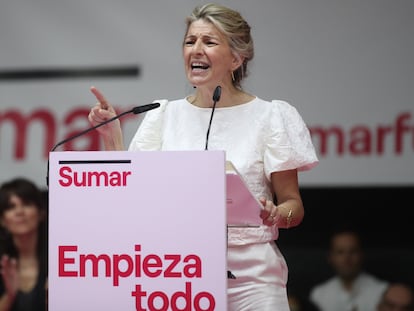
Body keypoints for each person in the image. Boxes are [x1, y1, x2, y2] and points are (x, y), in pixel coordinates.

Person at [88, 3, 318, 310]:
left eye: (209, 42)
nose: (195, 50)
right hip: (177, 271)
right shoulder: (163, 115)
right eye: (189, 41)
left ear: (236, 58)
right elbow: (131, 196)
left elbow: (294, 206)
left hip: (253, 277)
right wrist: (113, 137)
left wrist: (277, 213)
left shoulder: (271, 115)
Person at [309, 229, 388, 311]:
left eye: (353, 251)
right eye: (340, 252)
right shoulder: (319, 295)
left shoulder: (383, 292)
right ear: (330, 257)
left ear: (361, 255)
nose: (347, 258)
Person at [0, 178, 48, 311]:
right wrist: (9, 296)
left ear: (41, 213)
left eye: (26, 204)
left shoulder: (58, 261)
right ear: (2, 220)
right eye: (11, 207)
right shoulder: (3, 265)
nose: (19, 212)